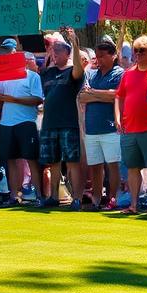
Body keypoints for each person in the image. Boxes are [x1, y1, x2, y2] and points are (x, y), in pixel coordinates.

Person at [115, 35, 147, 215]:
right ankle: (134, 205)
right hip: (130, 128)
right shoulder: (128, 73)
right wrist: (118, 118)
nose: (137, 53)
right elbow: (119, 96)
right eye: (136, 50)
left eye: (142, 50)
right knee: (132, 167)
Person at [0, 43, 43, 204]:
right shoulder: (3, 77)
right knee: (10, 159)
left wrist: (14, 100)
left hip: (26, 122)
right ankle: (14, 196)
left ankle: (39, 195)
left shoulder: (33, 76)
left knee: (31, 159)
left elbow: (37, 99)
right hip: (7, 123)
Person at [37, 29, 85, 208]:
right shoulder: (47, 73)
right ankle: (54, 197)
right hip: (49, 124)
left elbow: (79, 71)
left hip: (68, 123)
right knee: (54, 162)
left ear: (68, 54)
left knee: (72, 161)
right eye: (53, 51)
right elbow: (36, 67)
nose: (54, 53)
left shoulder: (72, 71)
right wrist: (48, 50)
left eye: (58, 51)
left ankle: (77, 198)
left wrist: (75, 43)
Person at [81, 36, 125, 210]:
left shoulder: (119, 73)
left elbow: (117, 95)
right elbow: (82, 96)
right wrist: (104, 94)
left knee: (113, 165)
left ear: (113, 56)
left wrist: (94, 93)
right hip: (91, 127)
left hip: (110, 127)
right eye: (97, 56)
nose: (98, 59)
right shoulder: (91, 73)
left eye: (102, 56)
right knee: (95, 166)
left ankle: (113, 198)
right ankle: (97, 199)